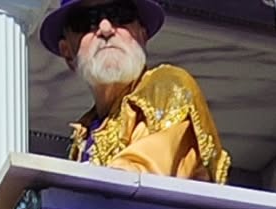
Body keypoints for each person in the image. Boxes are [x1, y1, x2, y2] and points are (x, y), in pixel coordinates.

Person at [42, 2, 230, 183]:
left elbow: (136, 178)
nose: (105, 29)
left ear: (142, 34)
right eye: (85, 21)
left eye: (121, 14)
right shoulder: (86, 130)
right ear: (67, 52)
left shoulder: (165, 87)